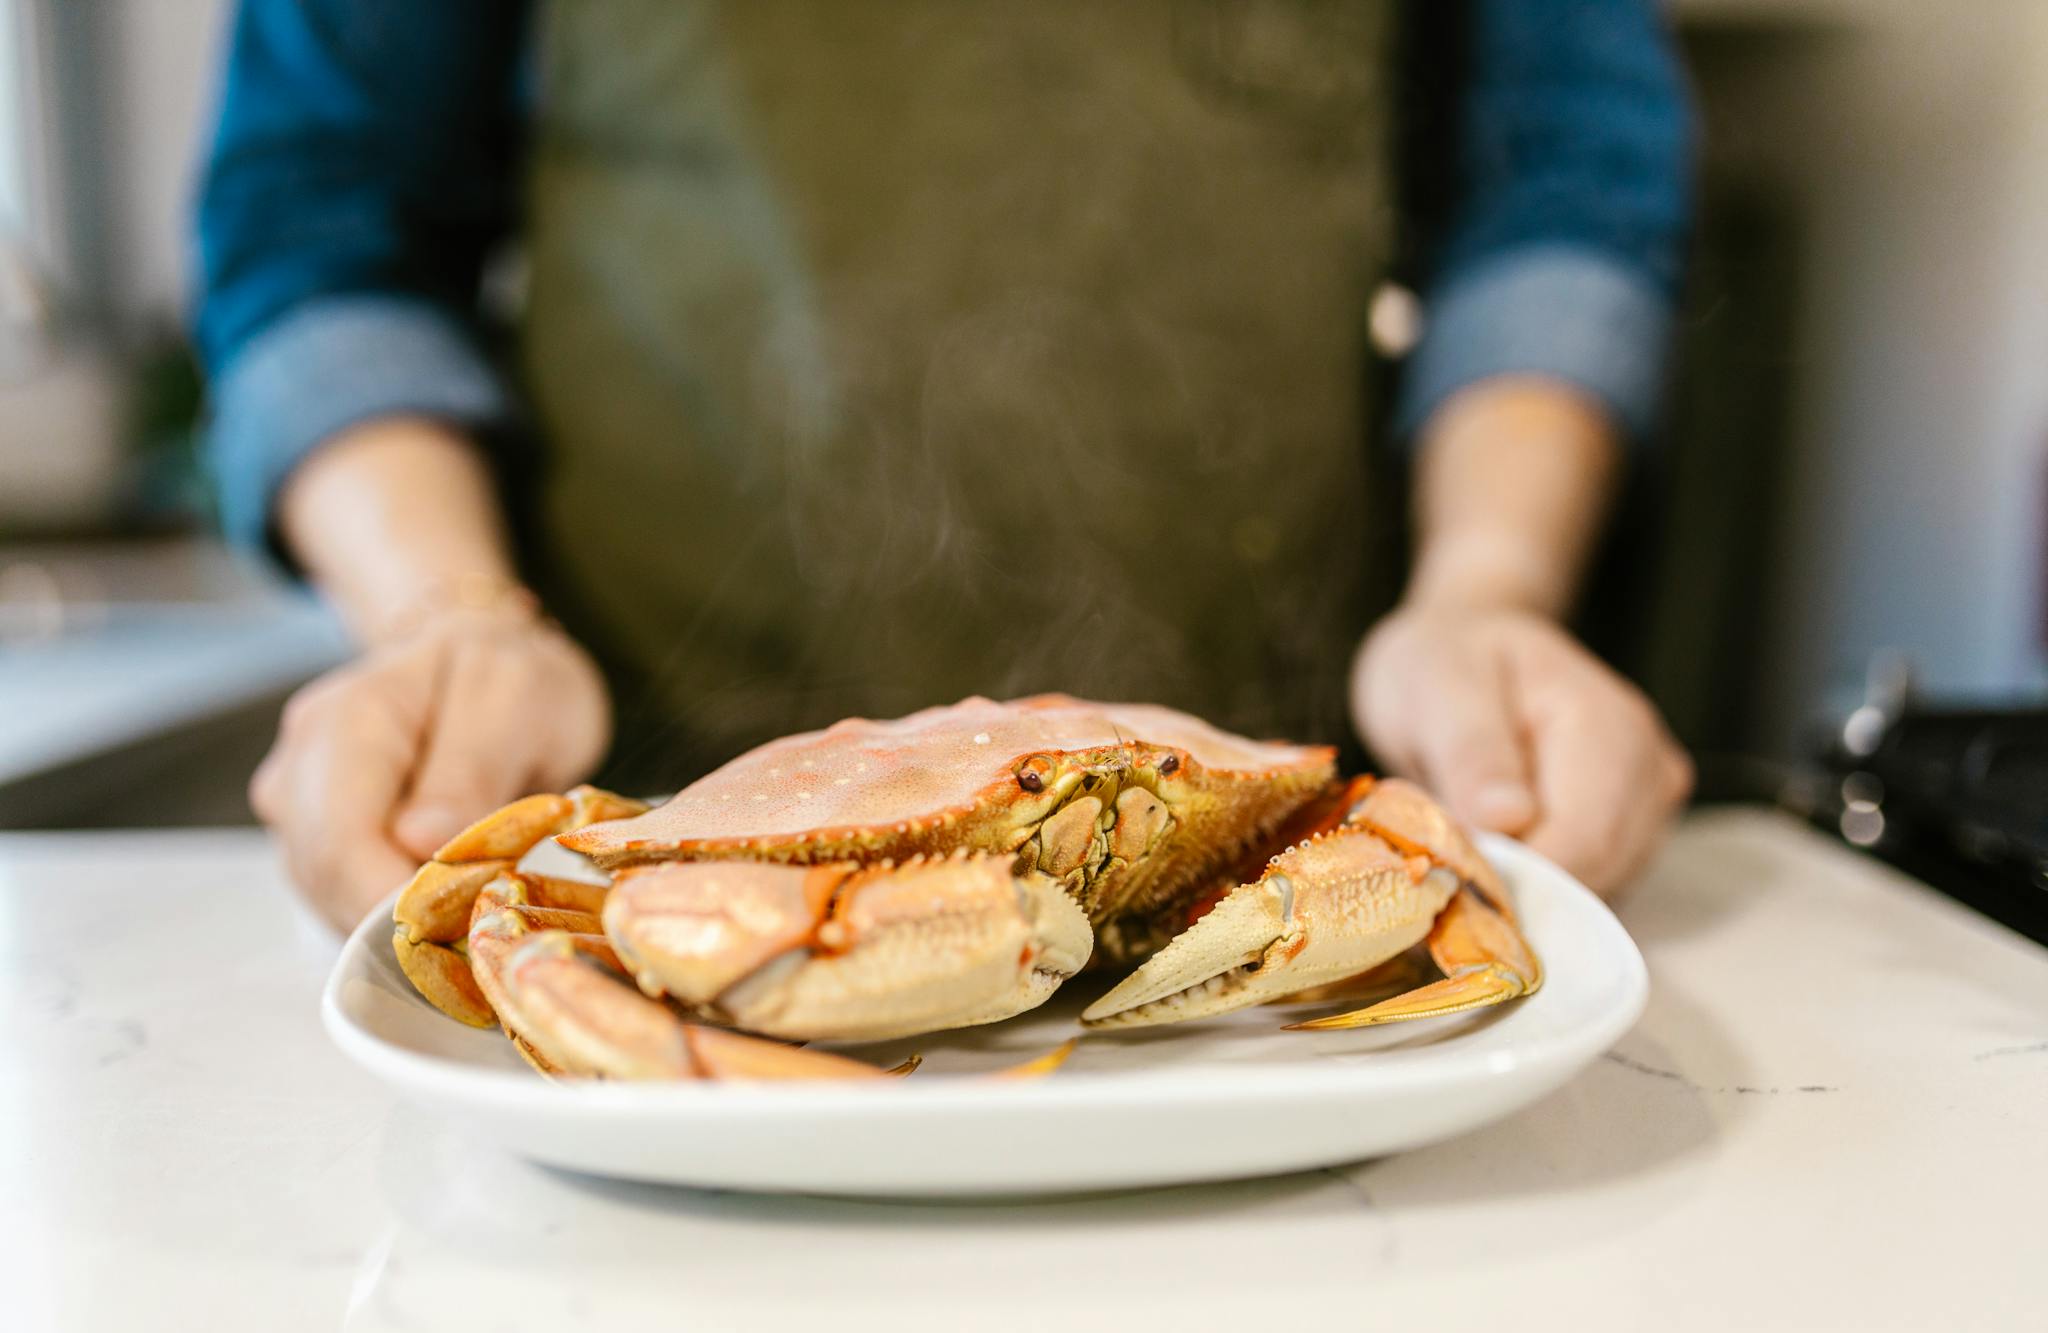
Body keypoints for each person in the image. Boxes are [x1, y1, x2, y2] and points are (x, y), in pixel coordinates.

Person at [196, 0, 1696, 932]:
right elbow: (321, 222)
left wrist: (1484, 590)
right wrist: (449, 616)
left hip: (1270, 849)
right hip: (640, 820)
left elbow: (1559, 189)